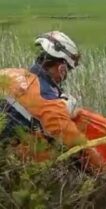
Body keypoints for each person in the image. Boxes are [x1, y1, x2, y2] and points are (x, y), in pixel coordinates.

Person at [0, 31, 100, 162]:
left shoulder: (9, 73)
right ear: (62, 68)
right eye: (68, 70)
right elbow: (80, 146)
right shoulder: (49, 102)